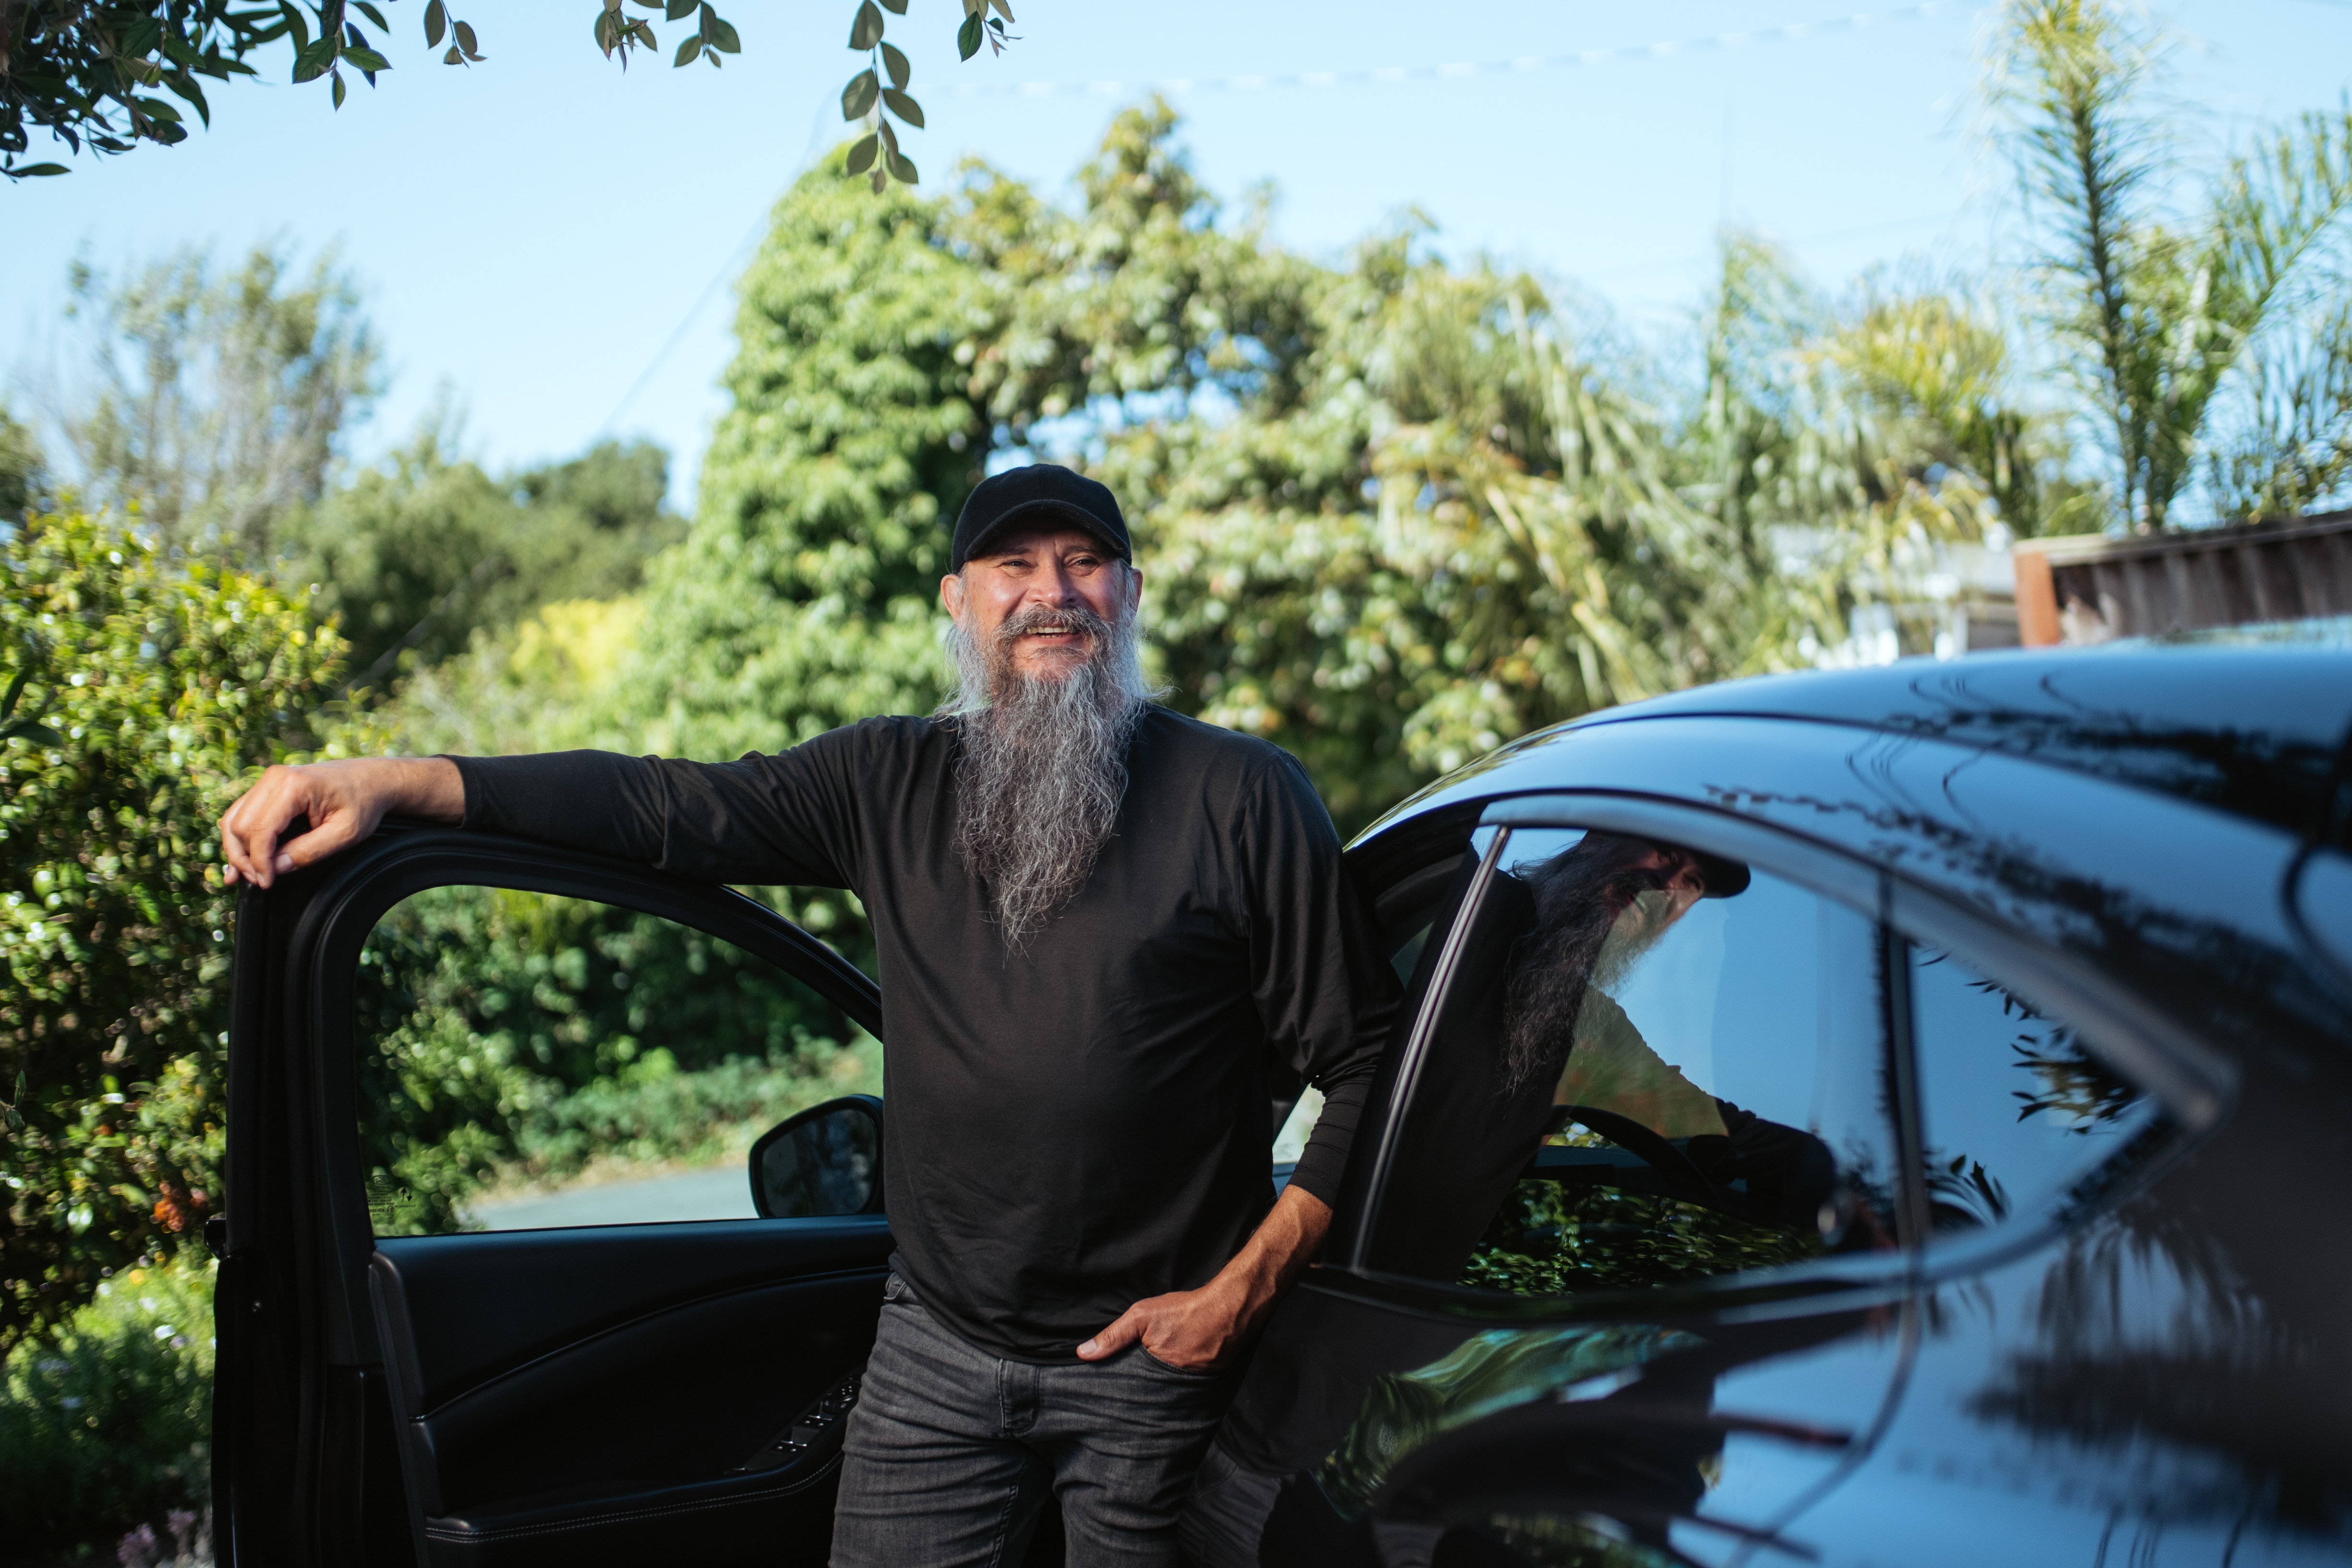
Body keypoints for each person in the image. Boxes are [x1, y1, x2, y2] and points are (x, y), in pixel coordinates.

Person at [217, 463, 1398, 1568]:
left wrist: (1242, 1289)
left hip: (1159, 1364)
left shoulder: (1242, 793)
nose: (1051, 594)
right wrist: (394, 781)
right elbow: (662, 807)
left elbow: (1365, 1056)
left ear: (1130, 593)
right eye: (1013, 566)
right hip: (938, 1350)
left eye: (1085, 562)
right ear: (958, 600)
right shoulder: (884, 781)